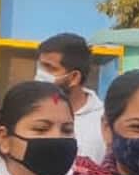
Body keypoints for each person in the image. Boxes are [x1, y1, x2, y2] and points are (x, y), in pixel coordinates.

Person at [36, 32, 106, 163]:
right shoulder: (30, 111)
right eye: (40, 66)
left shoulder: (103, 121)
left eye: (50, 68)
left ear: (74, 77)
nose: (41, 74)